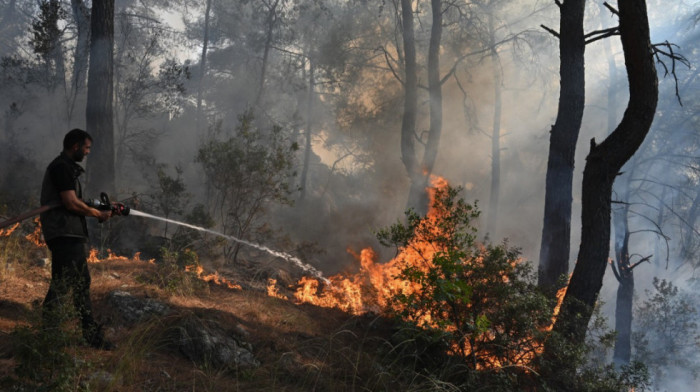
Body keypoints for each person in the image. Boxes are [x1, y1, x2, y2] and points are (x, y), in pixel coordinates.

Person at [40, 129, 114, 350]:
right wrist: (97, 214)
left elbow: (75, 202)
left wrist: (95, 208)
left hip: (68, 234)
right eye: (86, 148)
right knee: (69, 284)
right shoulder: (61, 167)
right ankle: (80, 336)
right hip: (65, 235)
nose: (88, 152)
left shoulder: (66, 168)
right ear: (75, 146)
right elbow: (71, 203)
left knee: (72, 283)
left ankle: (60, 335)